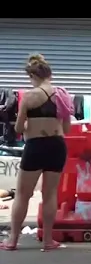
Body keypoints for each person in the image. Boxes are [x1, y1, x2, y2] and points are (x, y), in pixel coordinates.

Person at [1, 54, 71, 251]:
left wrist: (28, 127)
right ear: (49, 74)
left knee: (23, 194)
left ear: (32, 75)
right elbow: (67, 130)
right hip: (57, 145)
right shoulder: (63, 95)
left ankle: (13, 240)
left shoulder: (30, 96)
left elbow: (18, 128)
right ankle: (48, 240)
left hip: (36, 146)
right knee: (49, 194)